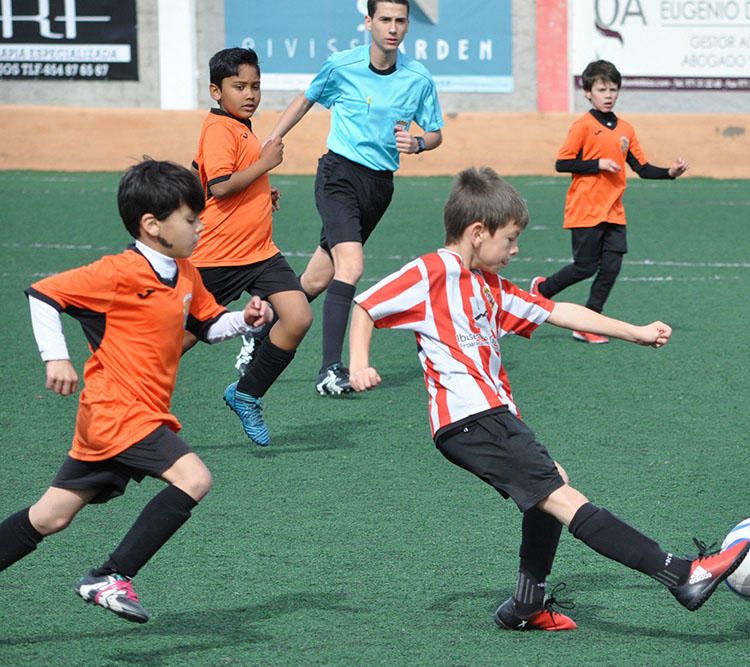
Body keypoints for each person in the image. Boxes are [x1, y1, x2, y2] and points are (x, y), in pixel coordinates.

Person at [347, 167, 749, 631]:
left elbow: (556, 311)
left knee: (552, 483)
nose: (515, 250)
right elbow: (366, 304)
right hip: (471, 419)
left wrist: (633, 333)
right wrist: (359, 362)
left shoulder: (486, 284)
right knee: (563, 498)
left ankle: (525, 604)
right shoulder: (432, 270)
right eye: (510, 239)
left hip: (489, 418)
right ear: (478, 233)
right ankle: (682, 574)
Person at [0, 160, 273, 623]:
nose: (200, 226)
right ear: (152, 225)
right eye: (190, 218)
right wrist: (56, 357)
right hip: (117, 413)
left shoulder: (184, 271)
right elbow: (43, 294)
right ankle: (110, 575)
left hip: (122, 420)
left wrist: (243, 322)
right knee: (195, 478)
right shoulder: (117, 272)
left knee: (50, 517)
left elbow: (206, 325)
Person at [241, 0, 444, 396]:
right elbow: (306, 98)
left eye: (401, 20)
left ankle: (261, 331)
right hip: (338, 175)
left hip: (379, 186)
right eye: (385, 19)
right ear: (368, 22)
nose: (393, 28)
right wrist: (273, 137)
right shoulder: (342, 65)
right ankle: (330, 370)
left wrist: (419, 143)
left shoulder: (418, 78)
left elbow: (435, 132)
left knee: (318, 278)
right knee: (349, 267)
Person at [189, 47, 312, 447]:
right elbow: (220, 185)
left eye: (255, 86)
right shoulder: (220, 129)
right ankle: (129, 401)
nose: (250, 94)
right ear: (215, 90)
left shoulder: (238, 126)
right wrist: (264, 166)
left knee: (297, 318)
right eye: (238, 86)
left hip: (260, 253)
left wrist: (261, 191)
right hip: (218, 256)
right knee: (181, 341)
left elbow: (206, 176)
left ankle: (246, 393)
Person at [532, 60, 689, 344]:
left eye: (613, 89)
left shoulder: (626, 129)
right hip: (585, 209)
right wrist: (598, 163)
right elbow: (562, 162)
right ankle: (542, 291)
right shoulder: (582, 126)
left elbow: (641, 167)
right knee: (585, 267)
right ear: (588, 93)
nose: (608, 95)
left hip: (614, 211)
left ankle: (588, 321)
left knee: (612, 267)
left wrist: (669, 173)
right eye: (601, 89)